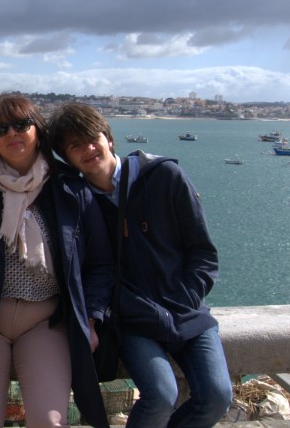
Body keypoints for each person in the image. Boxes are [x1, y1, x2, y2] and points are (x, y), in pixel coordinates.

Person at [0, 94, 114, 428]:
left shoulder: (70, 189)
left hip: (46, 322)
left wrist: (91, 319)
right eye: (0, 129)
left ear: (37, 130)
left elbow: (99, 263)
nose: (12, 133)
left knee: (50, 421)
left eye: (21, 124)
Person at [47, 102, 233, 427]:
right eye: (75, 146)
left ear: (108, 138)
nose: (88, 149)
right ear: (67, 157)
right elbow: (90, 270)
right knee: (160, 396)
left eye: (92, 138)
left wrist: (187, 295)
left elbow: (203, 251)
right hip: (134, 320)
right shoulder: (78, 203)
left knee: (217, 395)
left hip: (186, 311)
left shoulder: (164, 176)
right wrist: (94, 317)